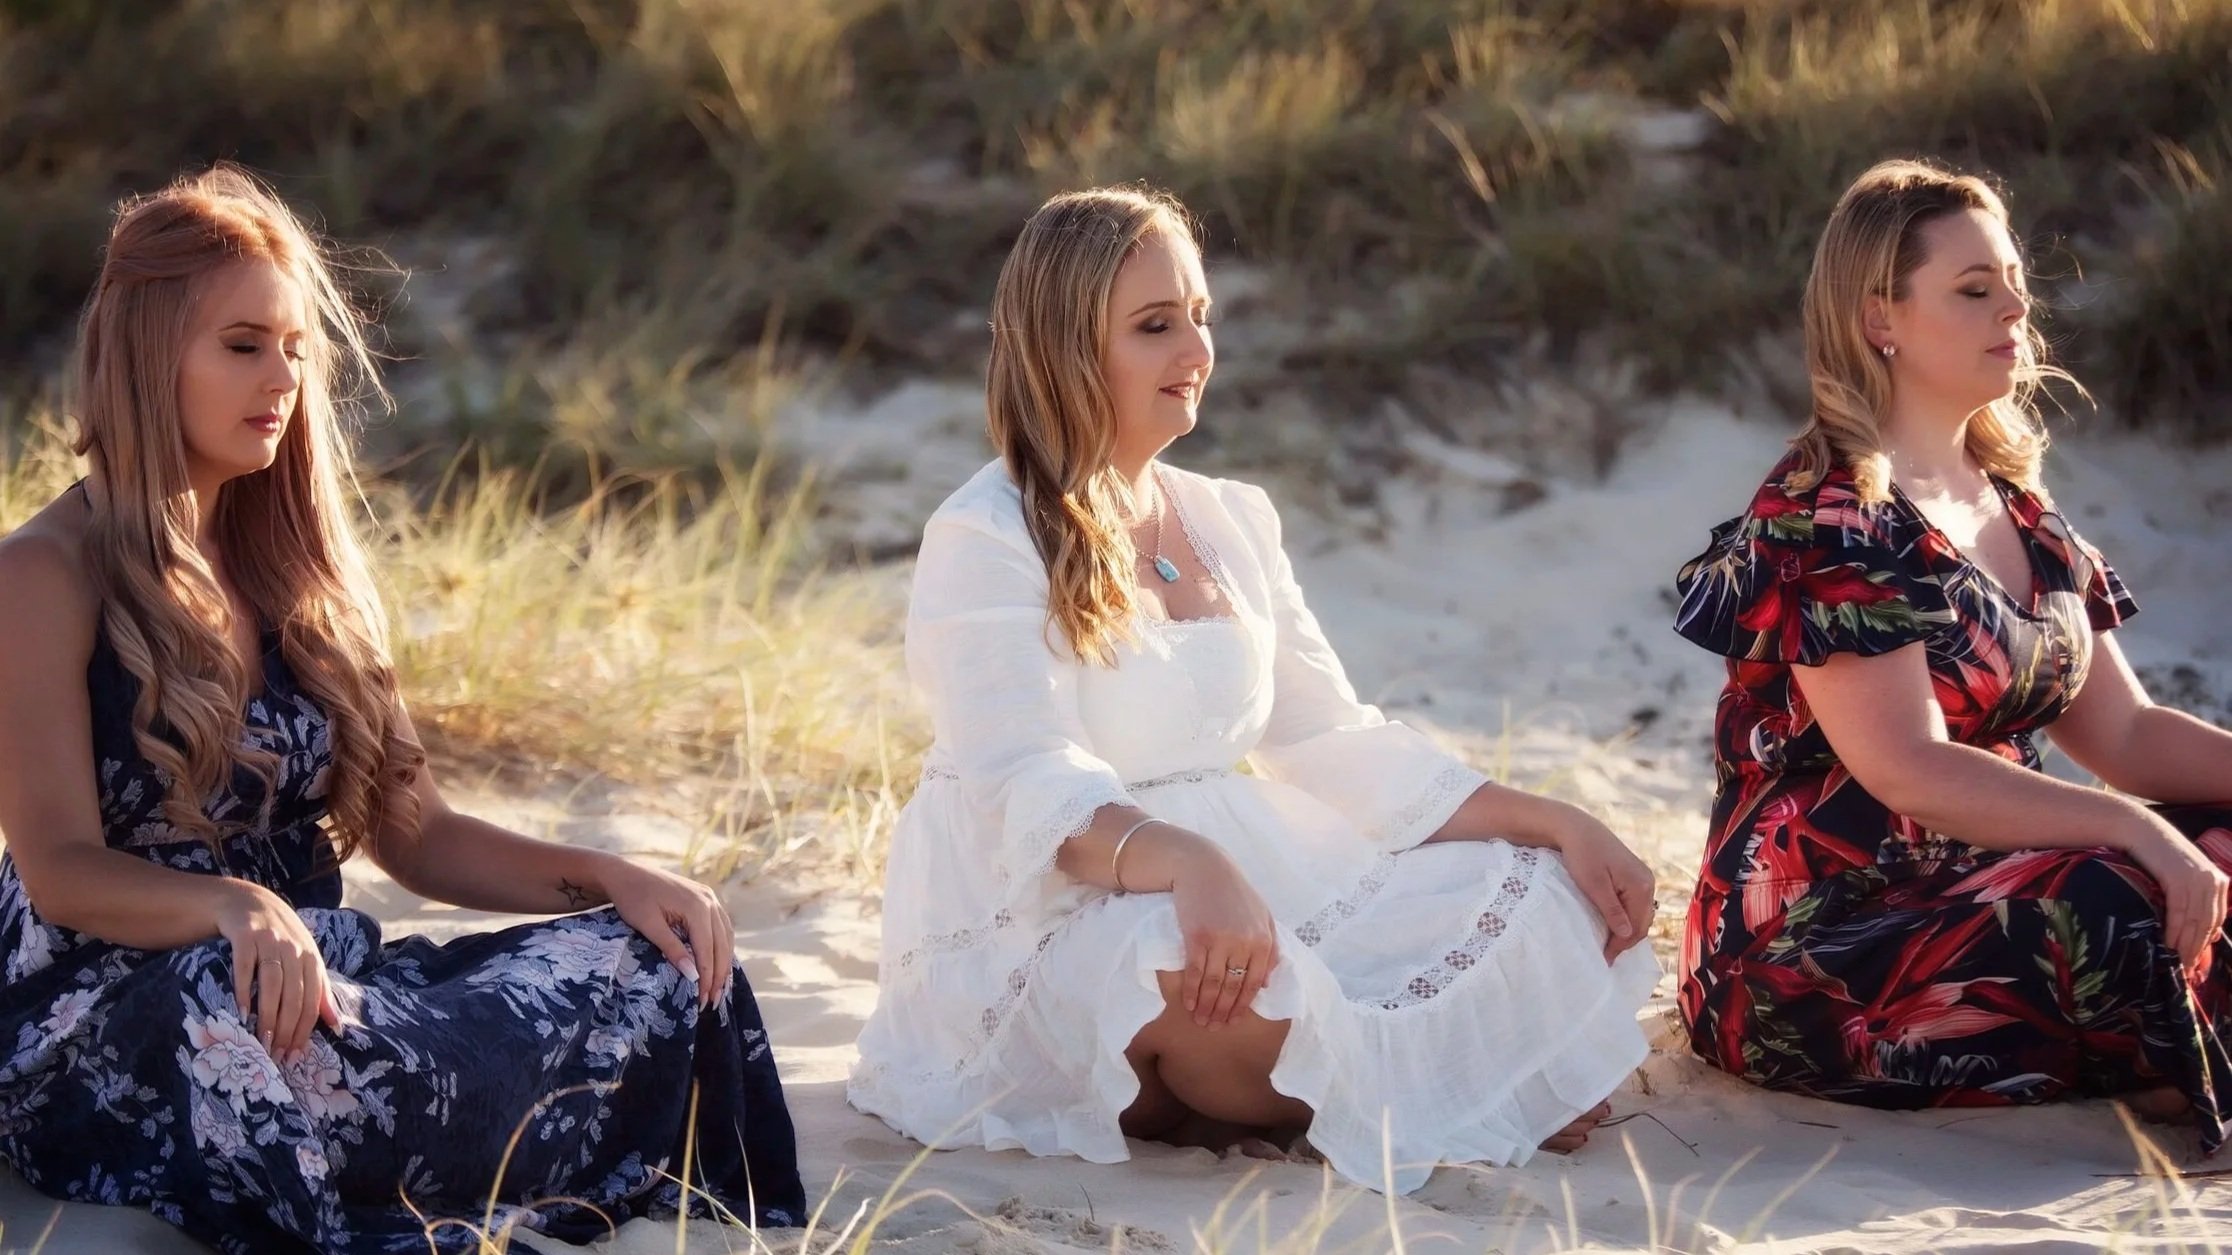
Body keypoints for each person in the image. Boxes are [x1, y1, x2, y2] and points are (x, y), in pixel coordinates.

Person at [0, 166, 807, 1252]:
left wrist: (613, 876)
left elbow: (420, 838)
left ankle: (407, 1145)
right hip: (118, 1007)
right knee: (232, 1013)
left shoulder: (302, 573)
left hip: (326, 987)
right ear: (146, 357)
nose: (280, 377)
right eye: (243, 344)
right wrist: (235, 906)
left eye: (294, 347)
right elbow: (58, 868)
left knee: (656, 957)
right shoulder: (44, 574)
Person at [847, 186, 1660, 1193]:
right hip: (1055, 903)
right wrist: (1184, 860)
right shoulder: (989, 532)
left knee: (1537, 889)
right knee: (1188, 969)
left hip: (1237, 871)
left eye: (1199, 317)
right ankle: (1445, 1089)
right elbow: (1023, 782)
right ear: (1063, 347)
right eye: (1154, 326)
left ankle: (1322, 1092)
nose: (1195, 352)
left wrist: (1554, 821)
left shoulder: (1230, 519)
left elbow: (1327, 736)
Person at [1670, 158, 2232, 1146]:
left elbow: (2130, 736)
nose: (2014, 306)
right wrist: (2133, 831)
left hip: (2004, 880)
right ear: (1879, 316)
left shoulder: (2016, 498)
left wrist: (2166, 820)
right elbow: (1909, 768)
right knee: (2118, 891)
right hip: (1828, 940)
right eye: (1974, 290)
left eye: (2013, 280)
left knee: (2213, 838)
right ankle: (2157, 1066)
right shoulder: (1827, 513)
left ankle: (2148, 1051)